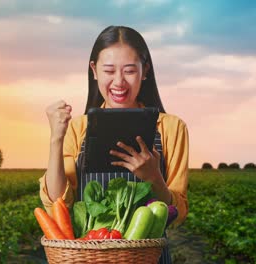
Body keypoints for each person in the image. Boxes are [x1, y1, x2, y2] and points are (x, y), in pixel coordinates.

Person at [39, 25, 189, 264]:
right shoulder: (77, 128)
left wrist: (153, 178)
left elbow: (178, 214)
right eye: (109, 70)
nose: (119, 82)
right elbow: (58, 205)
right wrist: (56, 138)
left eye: (129, 71)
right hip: (91, 257)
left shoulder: (171, 128)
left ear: (145, 70)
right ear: (94, 70)